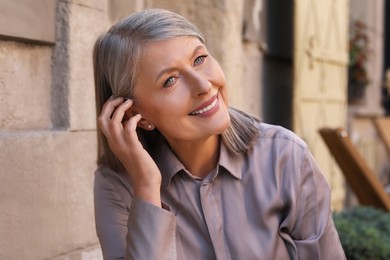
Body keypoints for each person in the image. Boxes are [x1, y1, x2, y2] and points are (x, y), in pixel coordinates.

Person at [93, 8, 346, 260]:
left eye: (199, 59)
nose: (203, 85)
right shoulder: (118, 185)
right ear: (135, 114)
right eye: (170, 80)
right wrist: (147, 187)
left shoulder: (286, 157)